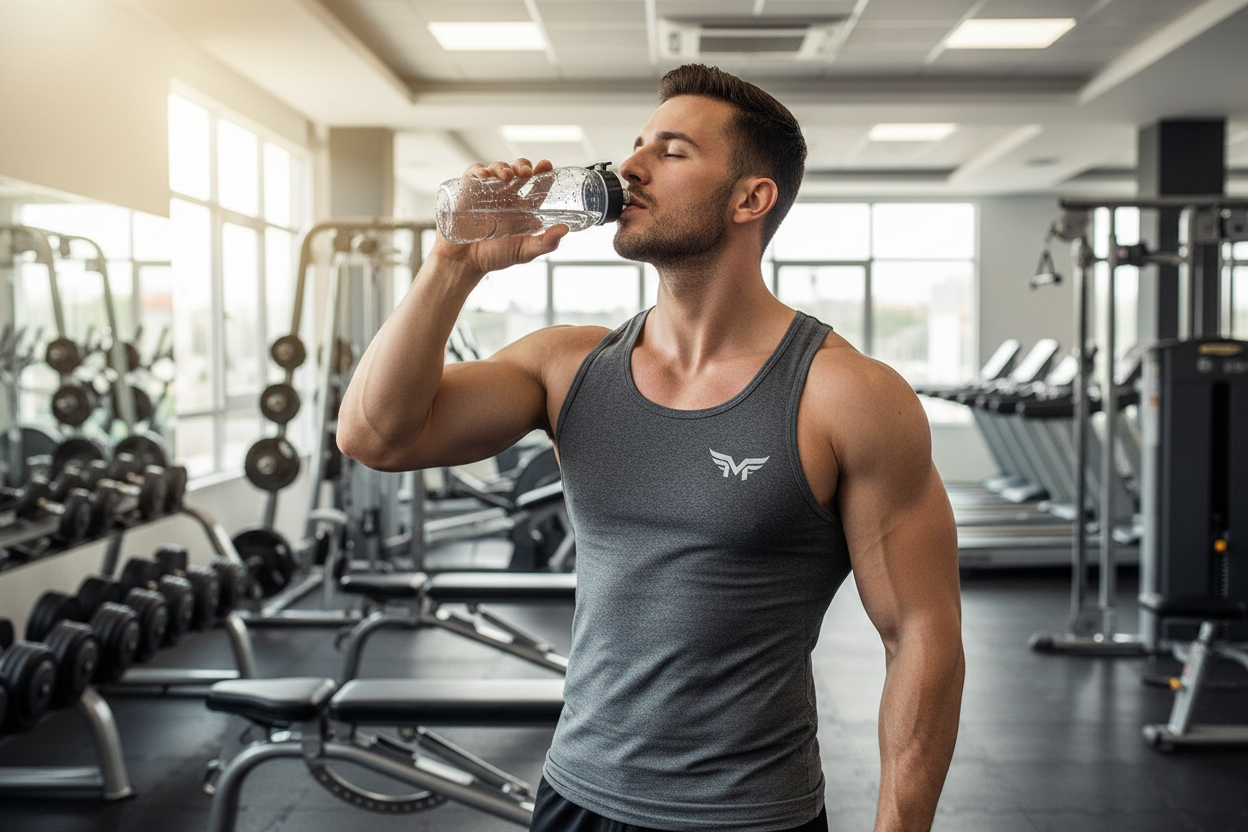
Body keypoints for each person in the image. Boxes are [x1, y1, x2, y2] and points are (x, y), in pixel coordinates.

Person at [337, 64, 964, 832]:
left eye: (671, 151)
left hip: (749, 818)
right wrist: (452, 266)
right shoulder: (566, 366)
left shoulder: (847, 395)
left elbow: (921, 634)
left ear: (750, 199)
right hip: (573, 797)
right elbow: (374, 435)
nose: (629, 166)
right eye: (636, 145)